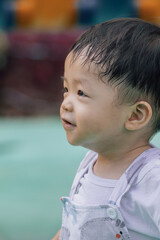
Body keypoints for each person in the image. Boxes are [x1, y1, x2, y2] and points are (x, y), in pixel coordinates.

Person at [52, 18, 160, 240]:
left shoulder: (152, 178)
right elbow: (71, 229)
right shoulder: (89, 164)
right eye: (66, 89)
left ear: (135, 115)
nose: (66, 103)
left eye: (81, 93)